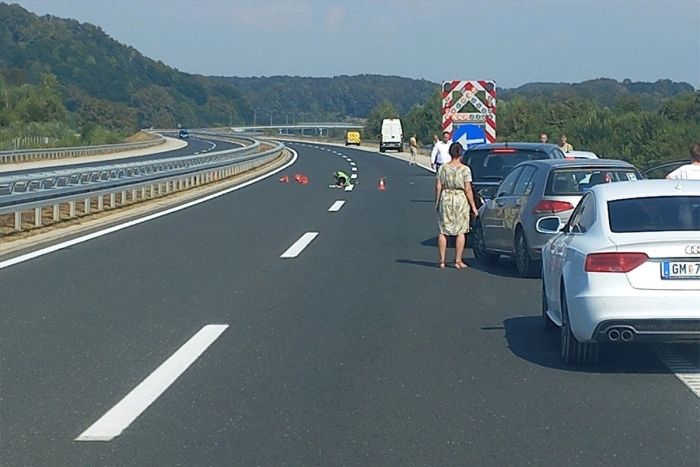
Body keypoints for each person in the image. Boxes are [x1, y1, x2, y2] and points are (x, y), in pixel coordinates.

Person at [435, 142, 479, 269]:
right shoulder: (465, 170)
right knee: (461, 230)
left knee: (443, 230)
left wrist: (437, 201)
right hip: (460, 198)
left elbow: (438, 186)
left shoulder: (443, 168)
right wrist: (473, 207)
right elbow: (468, 189)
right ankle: (458, 260)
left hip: (446, 197)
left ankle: (442, 260)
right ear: (461, 153)